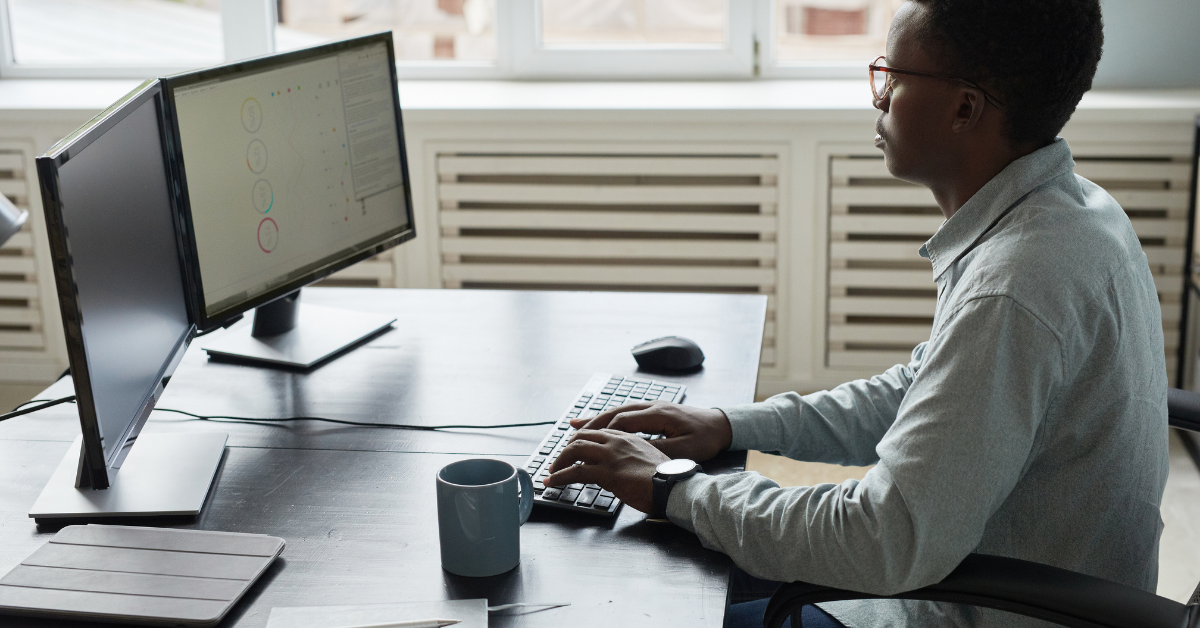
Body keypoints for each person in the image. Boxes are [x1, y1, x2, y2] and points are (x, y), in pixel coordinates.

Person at [543, 0, 1170, 627]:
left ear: (964, 109)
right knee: (696, 549)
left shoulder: (1013, 291)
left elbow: (884, 538)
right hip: (999, 582)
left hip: (974, 608)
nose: (879, 99)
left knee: (648, 601)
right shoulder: (1073, 209)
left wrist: (671, 486)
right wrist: (733, 428)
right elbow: (920, 392)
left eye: (893, 79)